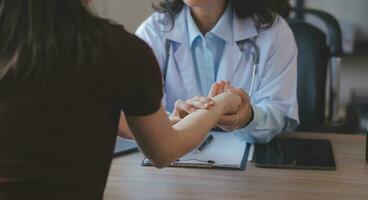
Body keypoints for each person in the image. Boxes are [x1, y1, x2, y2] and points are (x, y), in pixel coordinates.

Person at [0, 0, 241, 199]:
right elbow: (164, 151)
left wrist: (168, 120)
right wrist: (221, 104)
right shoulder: (119, 52)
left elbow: (96, 115)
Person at [134, 0, 299, 143]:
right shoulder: (152, 33)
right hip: (173, 166)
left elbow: (279, 113)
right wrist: (173, 121)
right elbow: (141, 118)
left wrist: (249, 117)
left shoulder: (274, 33)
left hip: (250, 169)